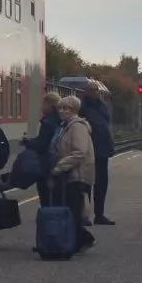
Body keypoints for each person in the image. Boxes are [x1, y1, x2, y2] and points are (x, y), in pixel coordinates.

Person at [51, 95, 97, 252]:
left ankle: (84, 240)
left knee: (74, 210)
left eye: (66, 108)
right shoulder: (68, 126)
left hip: (78, 174)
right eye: (60, 108)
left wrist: (60, 166)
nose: (62, 111)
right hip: (72, 173)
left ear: (74, 110)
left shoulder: (77, 127)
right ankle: (78, 241)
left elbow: (79, 152)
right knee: (73, 210)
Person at [78, 83, 115, 225]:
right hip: (89, 150)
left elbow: (106, 125)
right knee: (86, 183)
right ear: (86, 91)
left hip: (103, 150)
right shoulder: (82, 108)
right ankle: (84, 215)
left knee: (102, 183)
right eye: (92, 90)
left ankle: (99, 214)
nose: (95, 93)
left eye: (96, 90)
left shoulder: (103, 106)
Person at [22, 91, 63, 206]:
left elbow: (42, 144)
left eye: (43, 104)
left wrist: (27, 142)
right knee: (57, 198)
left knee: (46, 198)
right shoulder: (61, 121)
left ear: (49, 105)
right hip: (59, 163)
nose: (41, 107)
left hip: (47, 165)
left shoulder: (47, 122)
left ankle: (48, 221)